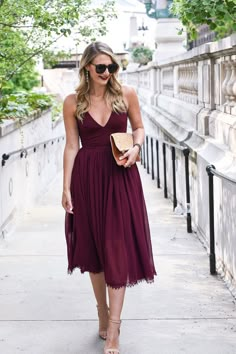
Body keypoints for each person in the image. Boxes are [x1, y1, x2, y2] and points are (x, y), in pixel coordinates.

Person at [62, 41, 156, 354]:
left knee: (116, 248)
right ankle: (101, 312)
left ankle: (114, 327)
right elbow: (72, 146)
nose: (107, 72)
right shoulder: (72, 101)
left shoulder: (126, 94)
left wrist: (137, 147)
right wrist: (66, 188)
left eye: (111, 66)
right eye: (100, 67)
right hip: (87, 180)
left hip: (120, 177)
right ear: (87, 67)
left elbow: (139, 127)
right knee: (93, 250)